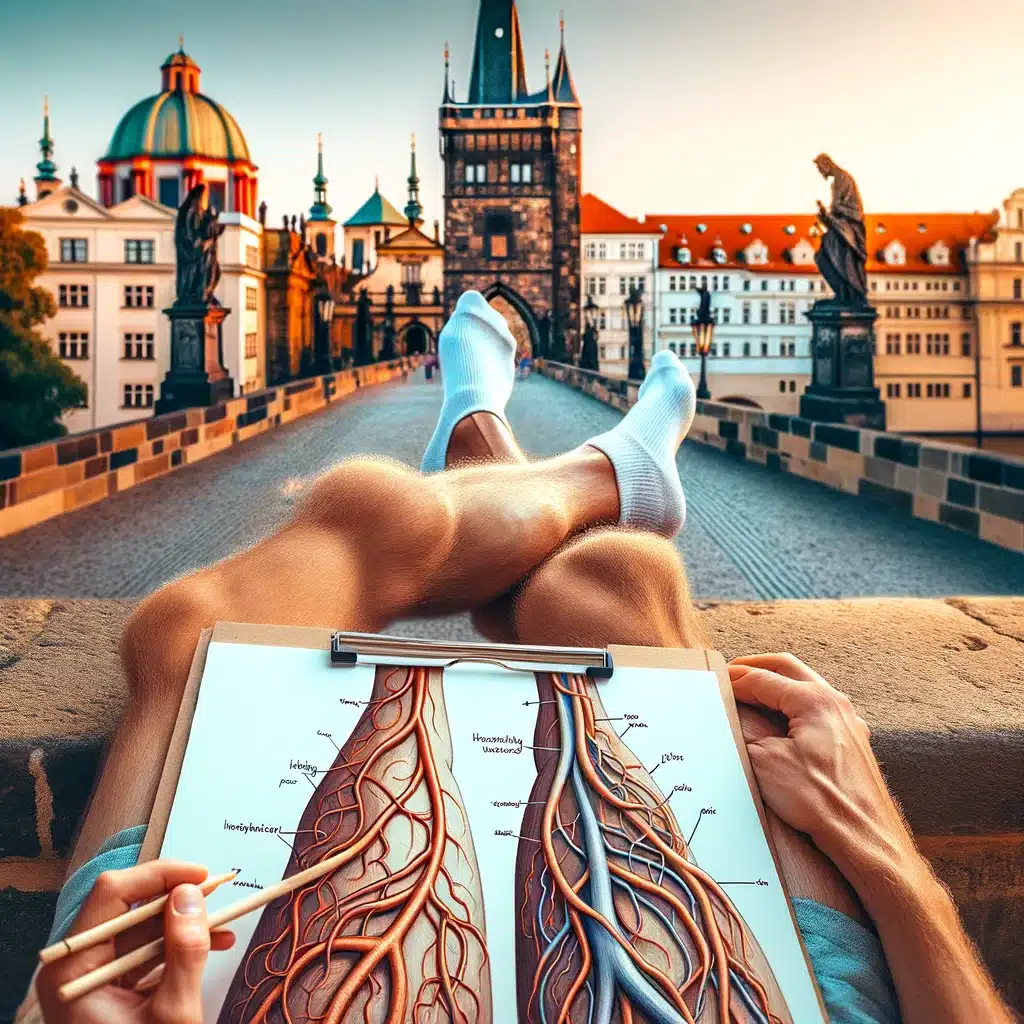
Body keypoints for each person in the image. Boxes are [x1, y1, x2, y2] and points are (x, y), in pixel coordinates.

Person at [31, 292, 1011, 1024]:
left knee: (207, 617)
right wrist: (886, 857)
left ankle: (500, 439)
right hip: (736, 984)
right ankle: (592, 466)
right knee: (616, 583)